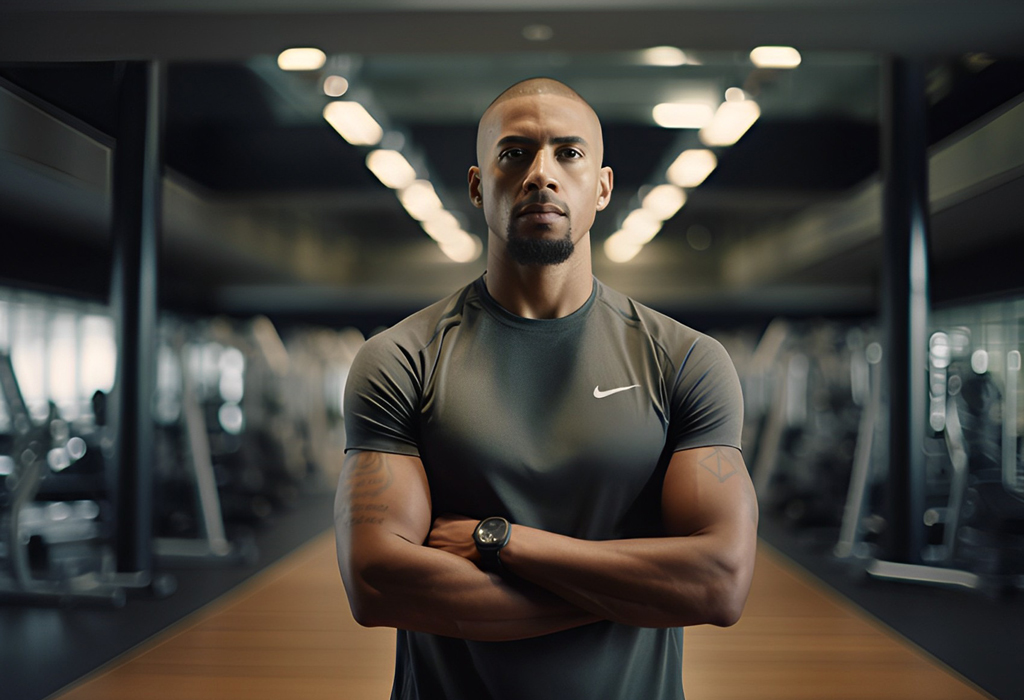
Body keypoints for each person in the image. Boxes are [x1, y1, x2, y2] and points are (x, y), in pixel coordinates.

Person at [335, 77, 758, 700]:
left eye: (569, 152)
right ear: (479, 186)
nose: (542, 174)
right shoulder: (401, 359)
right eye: (514, 153)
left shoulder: (684, 360)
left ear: (603, 187)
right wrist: (639, 590)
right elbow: (376, 585)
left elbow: (719, 582)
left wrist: (502, 541)